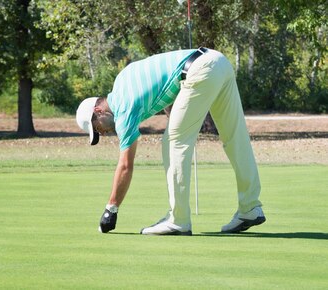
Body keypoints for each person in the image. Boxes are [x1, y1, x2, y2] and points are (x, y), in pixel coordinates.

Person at [76, 47, 265, 235]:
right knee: (235, 137)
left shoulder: (123, 110)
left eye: (97, 128)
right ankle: (250, 207)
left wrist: (111, 208)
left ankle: (178, 219)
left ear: (98, 111)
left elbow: (126, 166)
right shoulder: (122, 80)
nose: (103, 132)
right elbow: (163, 84)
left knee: (173, 140)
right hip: (218, 61)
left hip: (198, 69)